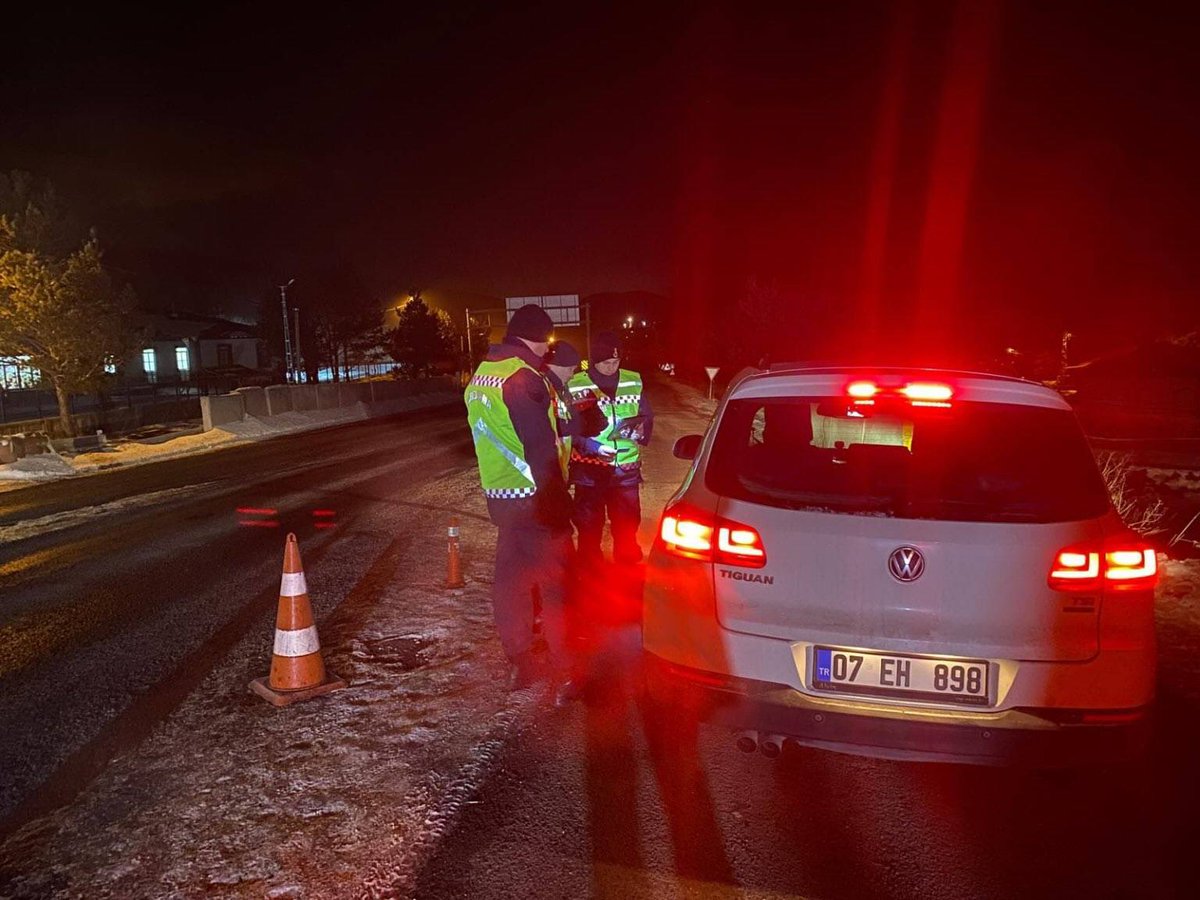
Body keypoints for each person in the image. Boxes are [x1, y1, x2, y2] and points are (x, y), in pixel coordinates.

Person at [464, 304, 576, 698]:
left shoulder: (482, 376)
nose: (548, 351)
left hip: (502, 498)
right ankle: (567, 668)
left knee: (510, 584)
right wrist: (558, 503)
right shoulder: (523, 377)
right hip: (536, 498)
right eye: (546, 342)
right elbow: (540, 448)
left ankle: (522, 662)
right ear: (537, 337)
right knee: (557, 583)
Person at [567, 330, 654, 566]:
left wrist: (640, 429)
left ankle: (627, 564)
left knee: (627, 521)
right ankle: (588, 566)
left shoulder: (632, 380)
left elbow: (646, 415)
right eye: (606, 362)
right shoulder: (576, 385)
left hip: (625, 467)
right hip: (589, 468)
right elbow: (566, 430)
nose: (611, 366)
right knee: (588, 523)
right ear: (594, 360)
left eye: (616, 361)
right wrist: (592, 446)